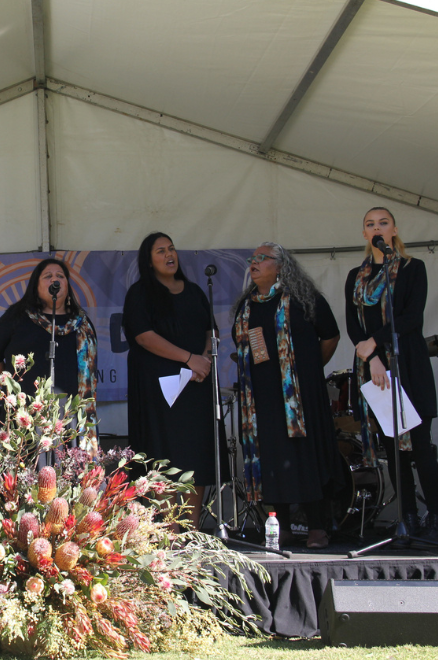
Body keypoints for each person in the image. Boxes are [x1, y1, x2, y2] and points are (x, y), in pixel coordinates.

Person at [233, 242, 344, 549]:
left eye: (262, 258)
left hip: (301, 398)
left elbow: (331, 336)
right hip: (263, 400)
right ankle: (279, 528)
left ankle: (317, 527)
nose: (253, 263)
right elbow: (251, 346)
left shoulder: (303, 299)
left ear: (280, 266)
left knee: (304, 458)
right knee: (271, 460)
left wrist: (306, 372)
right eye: (252, 258)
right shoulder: (248, 307)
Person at [345, 207, 438, 542]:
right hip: (375, 368)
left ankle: (435, 517)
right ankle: (408, 516)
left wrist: (375, 344)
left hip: (408, 364)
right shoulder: (357, 276)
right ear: (364, 233)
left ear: (394, 230)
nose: (377, 228)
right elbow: (353, 326)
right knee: (393, 445)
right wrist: (372, 356)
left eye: (383, 222)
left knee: (420, 445)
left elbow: (412, 317)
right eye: (370, 224)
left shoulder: (413, 268)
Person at [121, 232, 217, 529]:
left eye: (171, 249)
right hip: (159, 389)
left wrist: (202, 359)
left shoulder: (195, 291)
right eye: (160, 251)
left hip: (195, 385)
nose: (169, 255)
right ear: (149, 261)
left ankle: (190, 528)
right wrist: (189, 359)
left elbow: (209, 332)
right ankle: (167, 529)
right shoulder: (140, 293)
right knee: (165, 455)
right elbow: (144, 337)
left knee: (195, 454)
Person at [0, 258, 98, 450]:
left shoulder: (82, 323)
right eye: (48, 276)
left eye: (60, 276)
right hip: (26, 416)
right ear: (36, 286)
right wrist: (12, 391)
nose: (55, 279)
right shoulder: (17, 317)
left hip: (70, 416)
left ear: (67, 285)